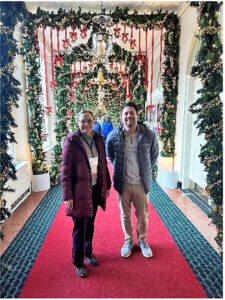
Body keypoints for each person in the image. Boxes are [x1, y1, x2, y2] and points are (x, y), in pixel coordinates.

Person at [61, 110, 111, 278]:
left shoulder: (98, 139)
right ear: (78, 122)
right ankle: (78, 261)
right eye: (83, 121)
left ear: (94, 121)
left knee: (90, 224)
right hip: (79, 192)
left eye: (89, 121)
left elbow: (103, 164)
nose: (86, 124)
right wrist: (67, 196)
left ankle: (88, 253)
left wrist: (107, 185)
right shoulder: (71, 142)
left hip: (95, 189)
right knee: (79, 228)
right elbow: (65, 172)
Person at [106, 102, 159, 258]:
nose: (129, 116)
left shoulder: (148, 135)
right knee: (125, 215)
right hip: (123, 183)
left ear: (137, 115)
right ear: (121, 118)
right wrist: (117, 167)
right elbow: (110, 154)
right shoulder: (114, 136)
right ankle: (128, 240)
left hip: (142, 183)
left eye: (131, 113)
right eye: (126, 114)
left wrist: (146, 169)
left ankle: (142, 241)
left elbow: (154, 155)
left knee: (143, 216)